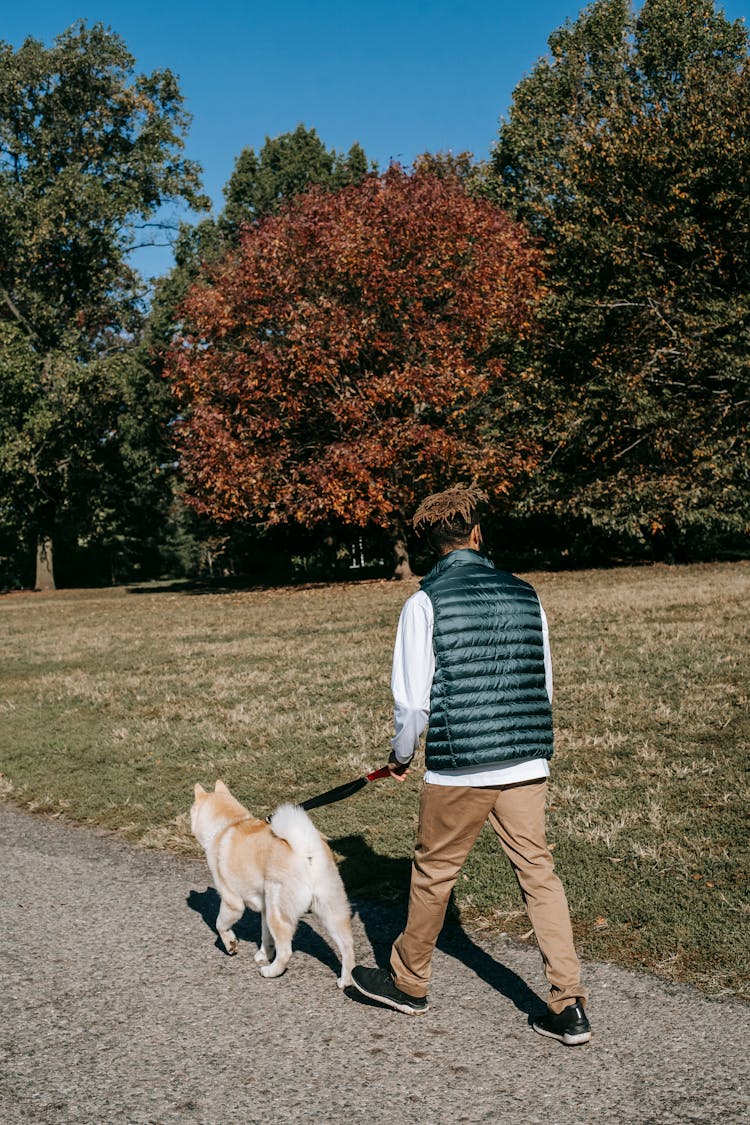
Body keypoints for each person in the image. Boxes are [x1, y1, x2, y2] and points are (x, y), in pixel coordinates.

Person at [351, 486, 591, 1046]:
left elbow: (412, 703)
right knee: (539, 874)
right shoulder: (527, 594)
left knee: (434, 873)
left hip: (463, 765)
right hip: (526, 759)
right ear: (477, 533)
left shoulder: (423, 603)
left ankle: (408, 981)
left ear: (431, 545)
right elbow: (544, 682)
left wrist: (401, 755)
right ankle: (570, 1003)